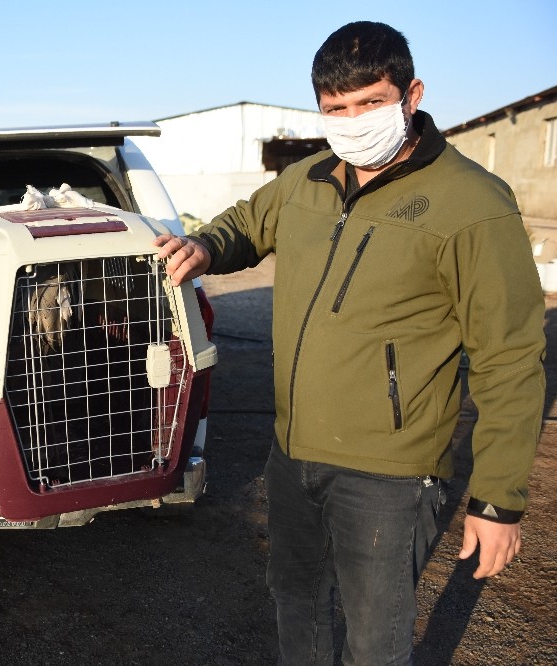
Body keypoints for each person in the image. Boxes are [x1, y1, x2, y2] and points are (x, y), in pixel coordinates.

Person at [155, 20, 545, 665]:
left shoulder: (472, 204)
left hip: (390, 472)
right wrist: (205, 246)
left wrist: (499, 501)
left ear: (412, 95)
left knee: (374, 636)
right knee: (296, 603)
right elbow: (245, 223)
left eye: (371, 102)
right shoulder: (306, 179)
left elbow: (510, 359)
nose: (354, 121)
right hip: (293, 451)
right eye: (336, 108)